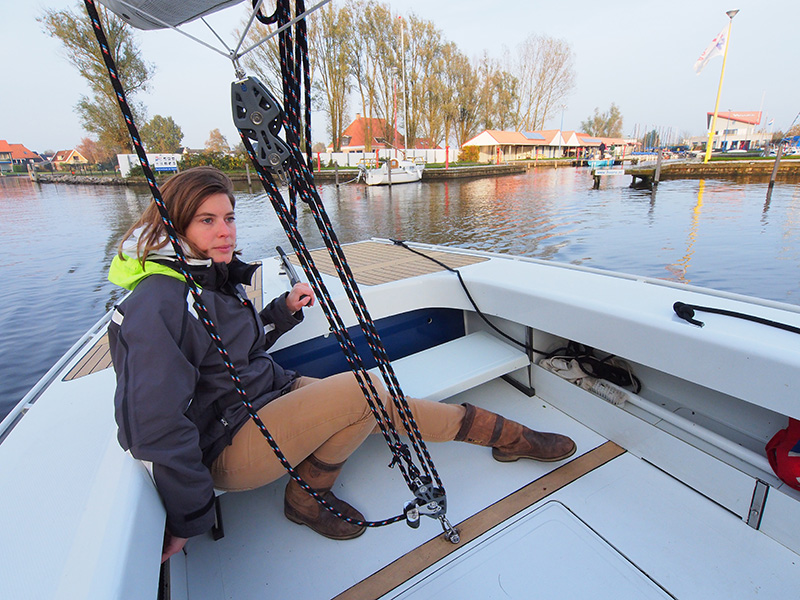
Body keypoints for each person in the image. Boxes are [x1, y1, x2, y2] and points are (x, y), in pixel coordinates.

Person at [108, 166, 576, 563]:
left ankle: (509, 438)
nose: (225, 231)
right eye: (206, 220)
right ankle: (509, 437)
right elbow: (152, 425)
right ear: (175, 226)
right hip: (227, 444)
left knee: (379, 400)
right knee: (361, 390)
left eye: (229, 217)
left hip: (265, 397)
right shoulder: (158, 302)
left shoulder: (211, 277)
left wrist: (282, 313)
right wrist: (189, 516)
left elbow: (232, 351)